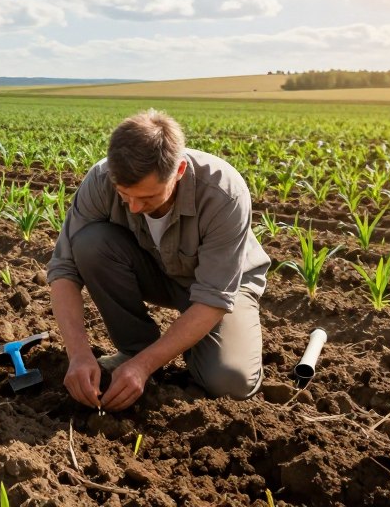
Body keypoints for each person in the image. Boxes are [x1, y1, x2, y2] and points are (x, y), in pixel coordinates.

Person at [47, 109, 269, 409]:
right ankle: (135, 348)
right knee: (89, 244)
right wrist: (79, 355)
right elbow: (63, 270)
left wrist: (145, 366)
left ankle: (178, 352)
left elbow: (214, 296)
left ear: (178, 172)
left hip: (223, 286)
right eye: (125, 194)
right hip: (154, 269)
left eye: (148, 197)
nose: (135, 207)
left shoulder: (222, 192)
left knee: (229, 382)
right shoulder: (100, 180)